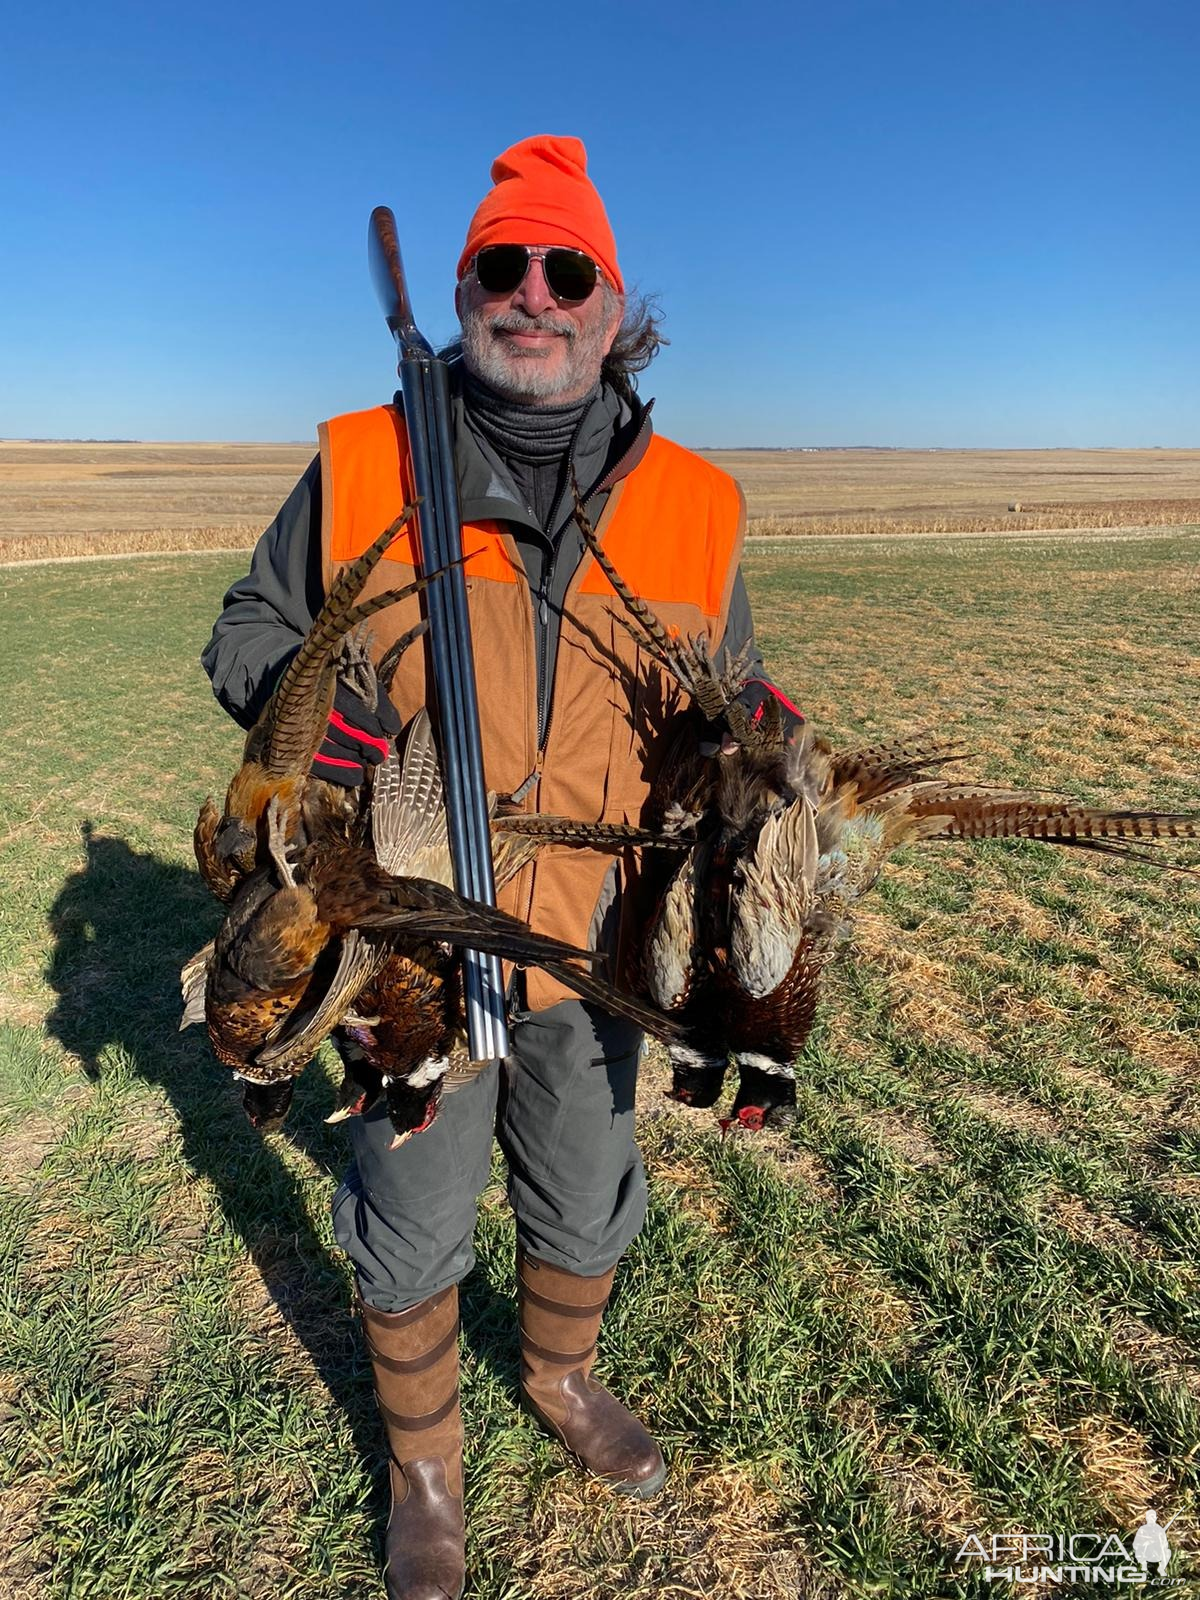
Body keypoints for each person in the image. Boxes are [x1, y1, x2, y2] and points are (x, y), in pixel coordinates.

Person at [202, 134, 797, 1600]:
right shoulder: (362, 461)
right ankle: (422, 1466)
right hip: (402, 927)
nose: (532, 295)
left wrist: (763, 759)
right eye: (500, 266)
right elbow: (243, 631)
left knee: (588, 1185)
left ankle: (559, 1375)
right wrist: (319, 712)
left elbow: (743, 691)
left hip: (600, 943)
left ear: (610, 306)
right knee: (407, 1202)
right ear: (463, 289)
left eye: (566, 268)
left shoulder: (700, 506)